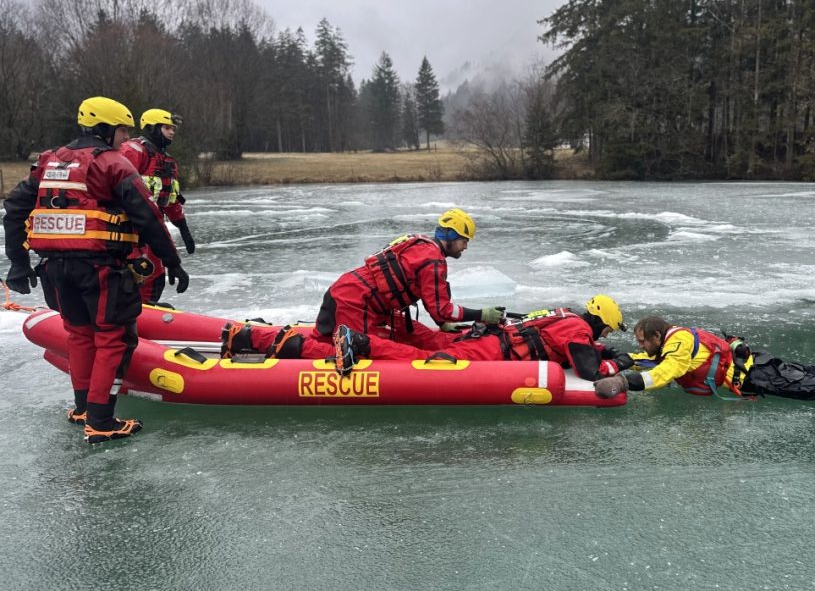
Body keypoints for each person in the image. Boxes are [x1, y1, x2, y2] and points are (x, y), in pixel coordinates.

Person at [2, 96, 190, 443]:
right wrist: (173, 262)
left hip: (54, 270)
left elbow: (14, 207)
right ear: (106, 128)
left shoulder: (49, 161)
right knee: (112, 338)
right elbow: (146, 216)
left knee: (79, 335)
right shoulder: (112, 165)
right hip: (100, 269)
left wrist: (17, 261)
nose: (125, 138)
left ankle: (82, 409)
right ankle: (102, 421)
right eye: (121, 130)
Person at [221, 208, 505, 359]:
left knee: (414, 336)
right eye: (465, 240)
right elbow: (442, 309)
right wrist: (482, 315)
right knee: (358, 349)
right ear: (453, 235)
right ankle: (262, 339)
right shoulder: (433, 260)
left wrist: (444, 325)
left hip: (354, 295)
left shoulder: (420, 245)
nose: (466, 247)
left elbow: (433, 306)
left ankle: (252, 336)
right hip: (357, 302)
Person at [230, 294, 635, 382]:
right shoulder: (578, 329)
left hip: (485, 343)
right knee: (409, 360)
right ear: (598, 322)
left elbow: (567, 345)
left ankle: (270, 338)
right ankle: (362, 343)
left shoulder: (564, 316)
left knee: (413, 349)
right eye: (603, 331)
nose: (600, 335)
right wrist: (617, 363)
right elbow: (588, 368)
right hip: (485, 354)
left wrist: (599, 349)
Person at [593, 315, 815, 406]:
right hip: (757, 364)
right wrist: (619, 358)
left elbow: (666, 372)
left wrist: (623, 381)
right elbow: (651, 361)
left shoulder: (678, 346)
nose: (640, 345)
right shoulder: (677, 338)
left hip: (755, 377)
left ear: (657, 335)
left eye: (642, 341)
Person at [119, 108, 194, 303]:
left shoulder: (167, 161)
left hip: (152, 226)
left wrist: (182, 226)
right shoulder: (132, 151)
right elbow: (116, 186)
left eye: (173, 129)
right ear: (152, 127)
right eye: (167, 127)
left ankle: (144, 314)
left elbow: (169, 197)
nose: (172, 132)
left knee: (156, 273)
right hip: (129, 226)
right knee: (139, 271)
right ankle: (130, 313)